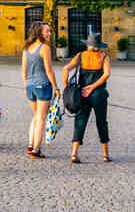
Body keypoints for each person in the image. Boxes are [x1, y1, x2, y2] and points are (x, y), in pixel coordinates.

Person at [64, 33, 113, 163]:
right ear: (99, 46)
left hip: (82, 93)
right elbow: (107, 74)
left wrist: (67, 86)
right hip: (99, 94)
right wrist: (93, 87)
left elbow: (66, 68)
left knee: (80, 121)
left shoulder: (81, 56)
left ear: (88, 44)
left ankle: (74, 153)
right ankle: (105, 155)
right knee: (101, 122)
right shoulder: (104, 57)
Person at [21, 21, 61, 159]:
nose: (49, 33)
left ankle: (31, 145)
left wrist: (26, 84)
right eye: (47, 31)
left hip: (30, 86)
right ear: (39, 32)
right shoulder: (44, 48)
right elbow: (49, 70)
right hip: (42, 85)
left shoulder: (27, 48)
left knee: (35, 116)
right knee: (41, 118)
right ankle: (36, 149)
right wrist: (56, 87)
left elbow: (23, 71)